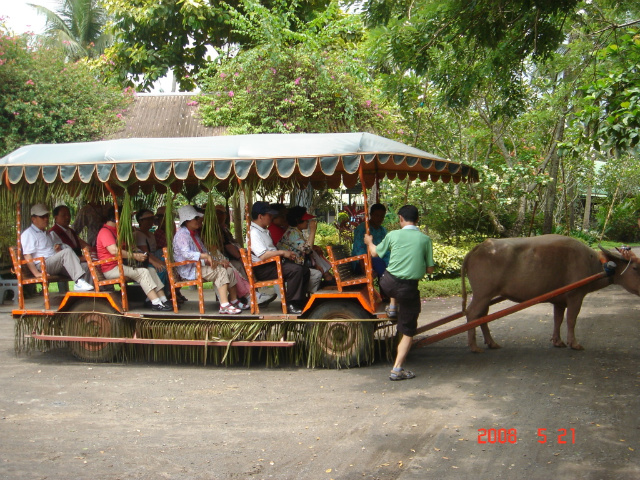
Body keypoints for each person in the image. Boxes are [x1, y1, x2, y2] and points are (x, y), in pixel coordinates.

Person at [364, 205, 434, 381]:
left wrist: (369, 242)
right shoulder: (425, 239)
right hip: (407, 289)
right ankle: (397, 369)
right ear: (417, 220)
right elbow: (430, 270)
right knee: (408, 331)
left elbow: (374, 253)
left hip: (387, 284)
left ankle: (393, 306)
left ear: (400, 219)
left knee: (394, 274)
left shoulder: (393, 235)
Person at [173, 205, 248, 314]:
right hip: (190, 269)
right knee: (220, 271)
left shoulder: (195, 234)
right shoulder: (182, 235)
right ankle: (224, 305)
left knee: (229, 270)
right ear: (187, 220)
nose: (199, 221)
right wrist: (205, 257)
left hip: (200, 266)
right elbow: (186, 253)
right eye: (196, 219)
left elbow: (205, 252)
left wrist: (218, 261)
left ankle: (234, 300)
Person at [96, 206, 171, 311]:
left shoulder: (117, 231)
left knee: (151, 270)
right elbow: (114, 251)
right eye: (127, 218)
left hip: (122, 266)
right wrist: (135, 256)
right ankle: (156, 303)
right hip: (112, 268)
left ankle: (163, 299)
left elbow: (131, 247)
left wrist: (140, 253)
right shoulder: (105, 232)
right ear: (117, 217)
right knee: (143, 272)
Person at [248, 201, 310, 314]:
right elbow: (263, 255)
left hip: (273, 264)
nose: (271, 217)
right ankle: (290, 303)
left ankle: (299, 301)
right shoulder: (254, 233)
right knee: (296, 270)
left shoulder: (263, 230)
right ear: (260, 216)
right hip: (264, 268)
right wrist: (282, 253)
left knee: (305, 270)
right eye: (269, 215)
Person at [20, 203, 93, 292]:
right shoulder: (28, 234)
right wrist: (36, 273)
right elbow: (27, 256)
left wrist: (57, 250)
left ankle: (89, 295)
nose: (46, 219)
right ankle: (78, 282)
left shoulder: (46, 233)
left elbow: (52, 251)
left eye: (46, 216)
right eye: (42, 217)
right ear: (33, 219)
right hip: (42, 265)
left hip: (53, 263)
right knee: (66, 252)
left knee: (86, 266)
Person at [215, 204, 276, 306]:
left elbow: (233, 243)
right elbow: (227, 246)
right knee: (238, 265)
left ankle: (254, 294)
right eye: (219, 213)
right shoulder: (214, 230)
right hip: (223, 259)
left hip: (231, 256)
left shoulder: (224, 228)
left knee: (244, 263)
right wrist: (240, 257)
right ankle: (249, 295)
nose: (222, 215)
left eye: (224, 213)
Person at [351, 203, 396, 315]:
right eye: (376, 215)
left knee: (385, 264)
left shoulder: (383, 230)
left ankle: (389, 292)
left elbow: (387, 251)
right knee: (377, 261)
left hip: (379, 263)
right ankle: (388, 293)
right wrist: (367, 269)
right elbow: (359, 251)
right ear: (371, 215)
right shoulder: (362, 228)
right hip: (361, 264)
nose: (379, 219)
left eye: (382, 216)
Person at [277, 206, 334, 293]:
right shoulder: (292, 234)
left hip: (300, 264)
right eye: (306, 220)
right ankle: (323, 281)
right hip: (293, 267)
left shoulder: (296, 232)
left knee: (315, 252)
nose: (308, 222)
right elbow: (308, 250)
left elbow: (308, 250)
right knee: (317, 274)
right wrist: (313, 231)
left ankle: (327, 276)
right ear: (298, 221)